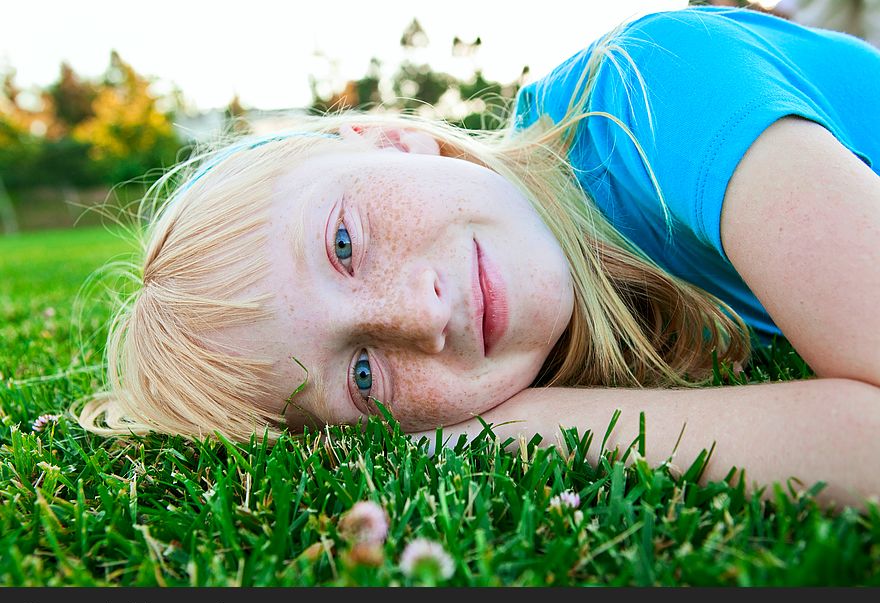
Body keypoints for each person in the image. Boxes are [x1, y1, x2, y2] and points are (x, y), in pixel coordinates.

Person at [77, 5, 880, 508]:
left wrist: (542, 426)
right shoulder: (591, 303)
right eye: (362, 374)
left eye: (345, 244)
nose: (419, 314)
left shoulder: (657, 91)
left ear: (393, 139)